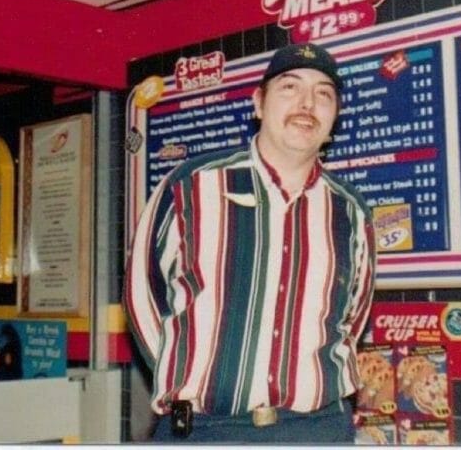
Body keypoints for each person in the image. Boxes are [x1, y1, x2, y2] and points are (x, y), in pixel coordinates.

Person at [125, 43, 377, 443]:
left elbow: (353, 315)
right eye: (290, 87)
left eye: (324, 94)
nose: (307, 104)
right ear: (258, 103)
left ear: (335, 117)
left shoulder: (351, 211)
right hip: (207, 430)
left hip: (318, 429)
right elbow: (144, 297)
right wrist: (196, 372)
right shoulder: (190, 186)